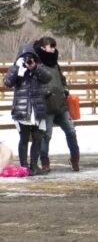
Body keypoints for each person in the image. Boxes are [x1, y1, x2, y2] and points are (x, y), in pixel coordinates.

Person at [3, 43, 52, 176]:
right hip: (21, 109)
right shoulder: (16, 69)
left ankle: (34, 166)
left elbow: (48, 78)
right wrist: (16, 68)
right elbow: (7, 83)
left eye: (30, 57)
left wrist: (35, 67)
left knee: (37, 138)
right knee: (23, 138)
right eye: (24, 57)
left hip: (37, 109)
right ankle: (24, 167)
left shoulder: (38, 67)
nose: (27, 60)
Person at [34, 37, 80, 172]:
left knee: (71, 131)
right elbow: (35, 83)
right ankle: (44, 160)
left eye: (54, 45)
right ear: (43, 48)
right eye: (50, 46)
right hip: (47, 105)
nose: (53, 48)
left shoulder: (55, 64)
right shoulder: (37, 64)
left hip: (61, 104)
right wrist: (45, 92)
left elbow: (62, 79)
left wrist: (65, 89)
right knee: (46, 134)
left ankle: (75, 157)